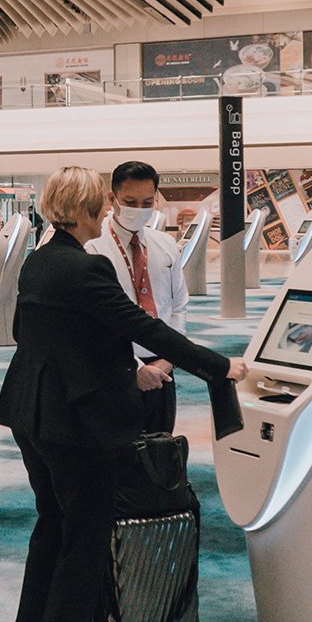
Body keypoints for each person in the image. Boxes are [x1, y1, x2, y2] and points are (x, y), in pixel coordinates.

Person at [0, 166, 246, 622]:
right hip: (74, 422)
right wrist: (217, 366)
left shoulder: (40, 263)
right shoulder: (87, 270)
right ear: (87, 209)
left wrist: (125, 372)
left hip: (31, 412)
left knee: (54, 525)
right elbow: (143, 328)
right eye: (102, 207)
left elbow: (53, 339)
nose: (108, 214)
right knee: (84, 538)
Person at [86, 161, 187, 435]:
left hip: (163, 365)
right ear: (112, 199)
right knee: (120, 455)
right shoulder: (93, 248)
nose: (140, 210)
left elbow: (178, 307)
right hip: (116, 367)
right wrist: (136, 368)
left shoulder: (164, 245)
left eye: (147, 202)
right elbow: (92, 322)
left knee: (161, 450)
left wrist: (169, 357)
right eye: (130, 202)